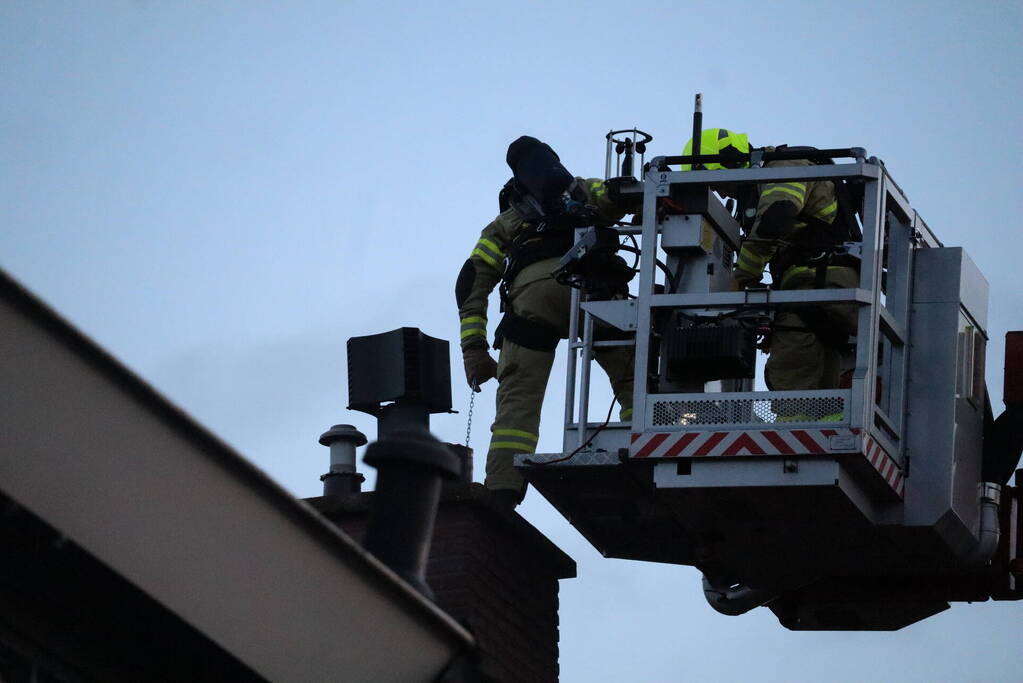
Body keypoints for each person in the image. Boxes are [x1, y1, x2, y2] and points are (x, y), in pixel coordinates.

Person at [456, 136, 636, 509]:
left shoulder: (507, 220)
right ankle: (651, 446)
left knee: (518, 400)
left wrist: (473, 348)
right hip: (593, 285)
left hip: (533, 297)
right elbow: (623, 194)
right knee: (632, 377)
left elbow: (471, 281)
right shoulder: (582, 190)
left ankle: (502, 491)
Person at [683, 128, 859, 397]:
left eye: (713, 179)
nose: (718, 190)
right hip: (817, 286)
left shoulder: (782, 167)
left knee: (790, 377)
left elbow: (777, 220)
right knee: (822, 389)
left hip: (816, 283)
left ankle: (795, 431)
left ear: (728, 162)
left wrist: (741, 278)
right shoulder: (768, 179)